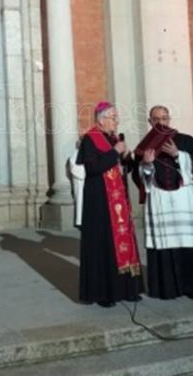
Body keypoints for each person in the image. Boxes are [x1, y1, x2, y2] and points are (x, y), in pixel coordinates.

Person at [139, 105, 193, 300]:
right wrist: (146, 164)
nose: (161, 122)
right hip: (160, 200)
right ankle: (167, 289)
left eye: (164, 118)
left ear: (169, 119)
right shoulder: (145, 145)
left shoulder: (186, 140)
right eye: (156, 119)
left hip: (184, 199)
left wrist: (177, 154)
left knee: (189, 243)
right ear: (150, 122)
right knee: (166, 246)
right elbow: (138, 177)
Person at [78, 101, 143, 307]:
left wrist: (128, 157)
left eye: (116, 117)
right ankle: (105, 293)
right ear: (101, 119)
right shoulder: (91, 139)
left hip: (119, 202)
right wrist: (115, 152)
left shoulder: (114, 138)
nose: (117, 121)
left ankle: (128, 289)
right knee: (104, 245)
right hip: (100, 202)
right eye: (113, 117)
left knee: (124, 241)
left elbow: (125, 169)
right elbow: (93, 168)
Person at [69, 139, 85, 228]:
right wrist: (85, 173)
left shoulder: (85, 154)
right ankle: (80, 222)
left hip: (86, 181)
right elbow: (73, 167)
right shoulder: (75, 154)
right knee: (80, 201)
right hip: (80, 181)